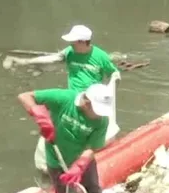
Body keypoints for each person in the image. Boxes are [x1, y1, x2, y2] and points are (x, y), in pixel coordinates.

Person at [19, 84, 114, 193]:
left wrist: (80, 165)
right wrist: (39, 114)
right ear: (87, 103)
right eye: (97, 110)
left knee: (93, 192)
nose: (99, 115)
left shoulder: (101, 121)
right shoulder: (64, 98)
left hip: (82, 160)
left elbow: (92, 147)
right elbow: (25, 96)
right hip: (56, 159)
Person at [34, 25, 121, 174]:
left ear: (83, 41)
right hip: (72, 99)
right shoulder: (69, 52)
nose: (70, 45)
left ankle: (78, 164)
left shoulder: (100, 56)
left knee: (86, 133)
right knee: (62, 129)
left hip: (92, 102)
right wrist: (27, 62)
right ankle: (53, 164)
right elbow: (55, 58)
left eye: (73, 42)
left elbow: (114, 73)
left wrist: (112, 87)